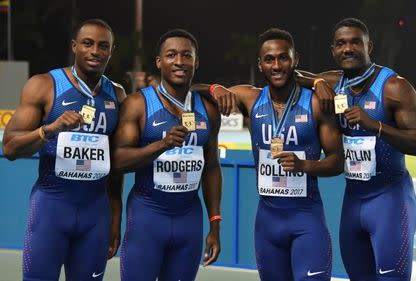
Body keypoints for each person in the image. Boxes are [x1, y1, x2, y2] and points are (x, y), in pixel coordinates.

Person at [205, 28, 343, 281]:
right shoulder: (249, 98)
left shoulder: (314, 103)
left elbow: (337, 161)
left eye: (283, 58)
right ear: (260, 64)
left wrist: (304, 165)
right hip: (267, 222)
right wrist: (215, 88)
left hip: (307, 219)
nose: (277, 65)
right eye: (269, 59)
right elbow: (192, 90)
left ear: (295, 60)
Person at [299, 18, 416, 281]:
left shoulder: (394, 87)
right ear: (333, 50)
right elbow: (290, 74)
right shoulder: (331, 82)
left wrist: (376, 126)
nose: (347, 48)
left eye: (355, 42)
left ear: (369, 46)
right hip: (353, 200)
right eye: (341, 44)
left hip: (390, 199)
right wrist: (316, 84)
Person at [2, 19, 125, 281]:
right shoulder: (44, 85)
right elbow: (10, 147)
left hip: (96, 214)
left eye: (103, 46)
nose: (95, 51)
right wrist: (49, 129)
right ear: (74, 47)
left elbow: (116, 163)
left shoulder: (117, 94)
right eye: (88, 43)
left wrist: (116, 216)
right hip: (51, 208)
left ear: (111, 51)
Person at [112, 29, 222, 281]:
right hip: (147, 216)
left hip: (189, 220)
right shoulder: (138, 104)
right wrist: (160, 146)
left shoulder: (208, 109)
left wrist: (215, 223)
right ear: (159, 62)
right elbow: (116, 161)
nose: (179, 62)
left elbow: (212, 166)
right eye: (171, 55)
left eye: (187, 55)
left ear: (196, 61)